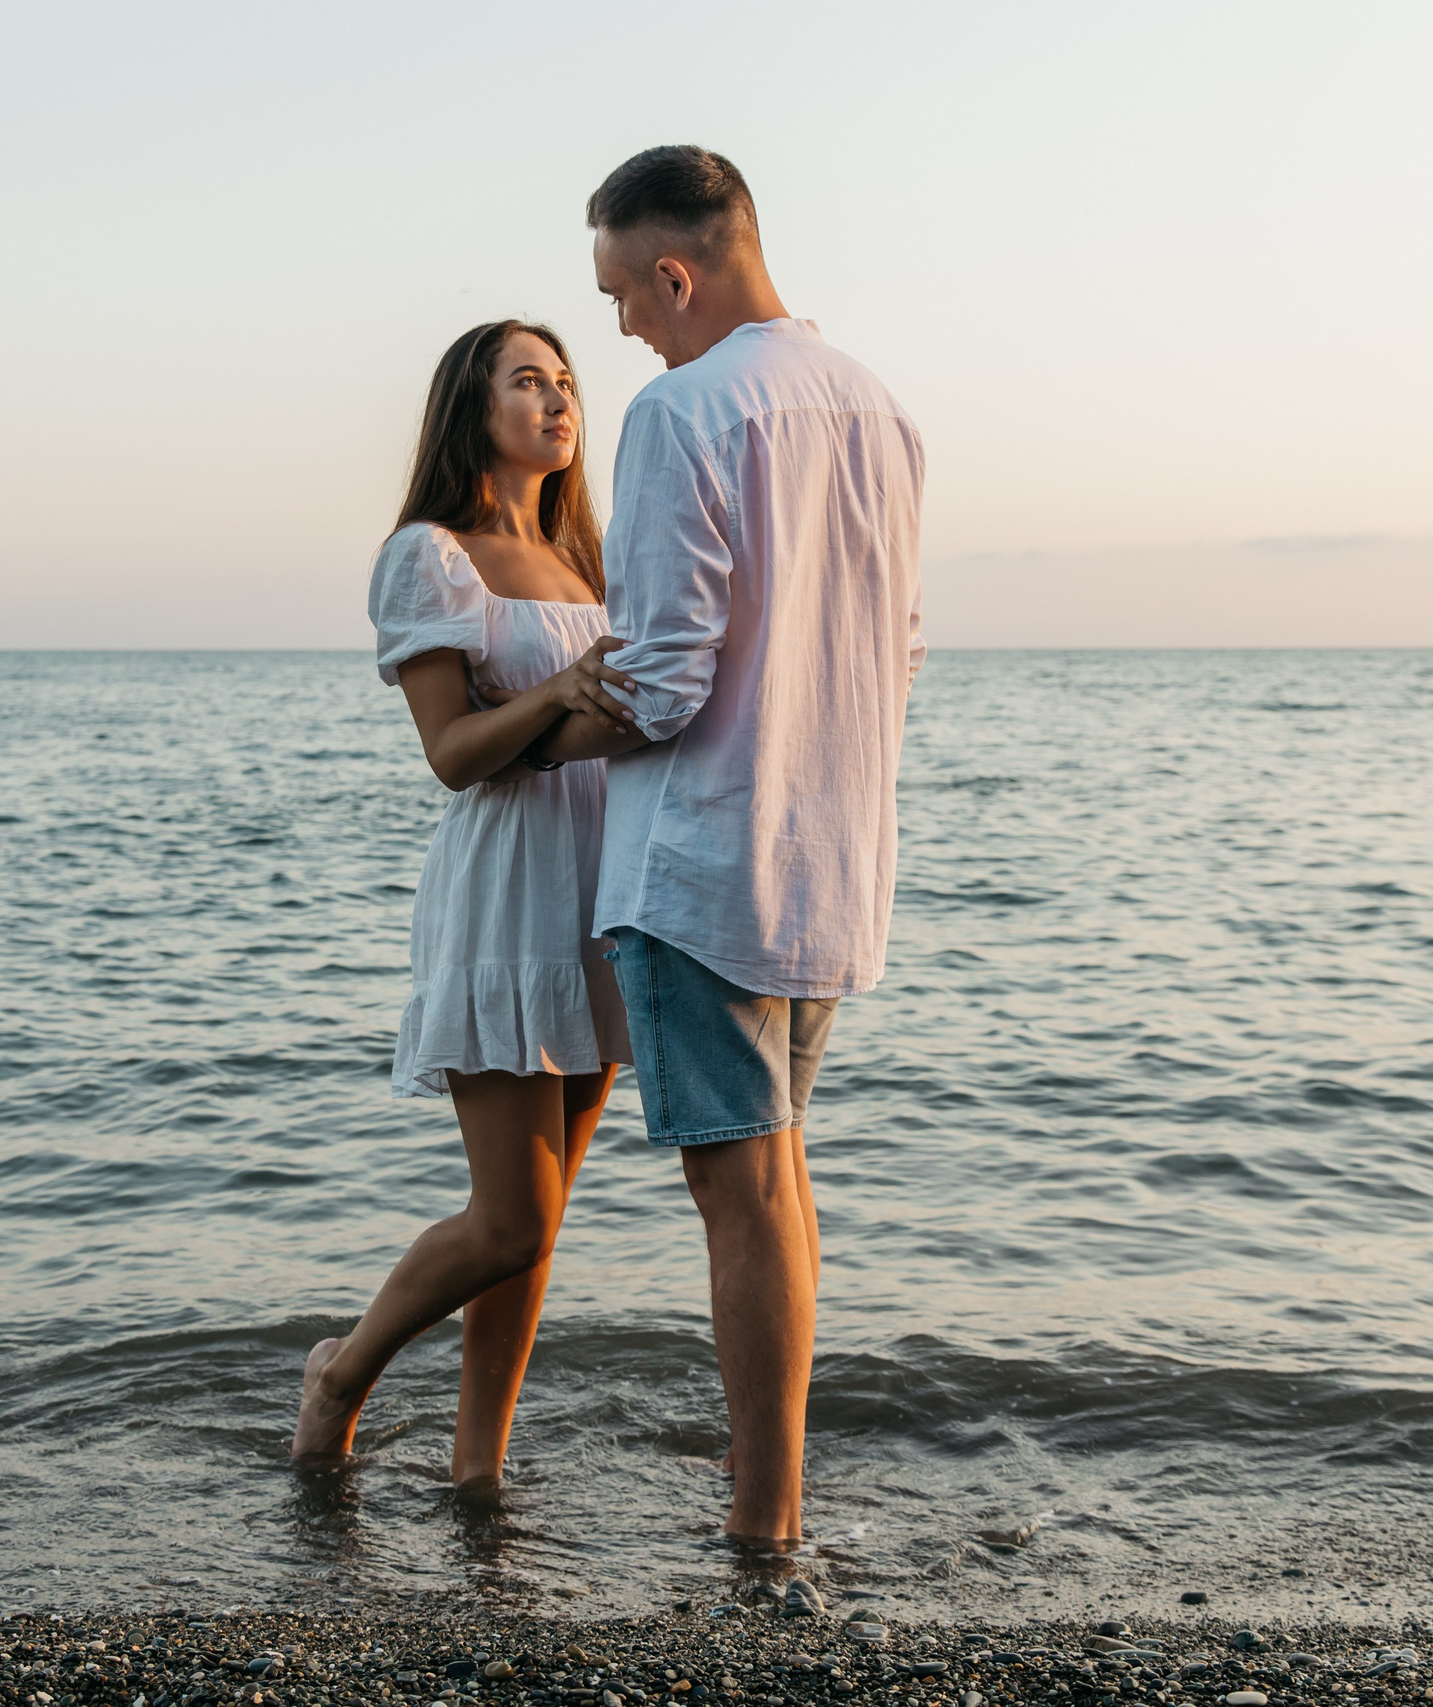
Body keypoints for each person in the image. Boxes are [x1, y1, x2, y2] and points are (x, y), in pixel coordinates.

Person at [522, 146, 926, 1545]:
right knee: (782, 1175)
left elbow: (665, 677)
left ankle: (765, 1522)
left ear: (674, 272)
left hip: (703, 860)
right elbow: (902, 646)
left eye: (623, 293)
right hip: (829, 856)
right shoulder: (880, 408)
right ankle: (777, 1499)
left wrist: (535, 735)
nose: (621, 325)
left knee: (741, 1194)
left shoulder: (683, 408)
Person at [290, 320, 641, 1488]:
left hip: (603, 888)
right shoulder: (432, 556)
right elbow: (450, 753)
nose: (557, 402)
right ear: (470, 407)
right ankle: (341, 1373)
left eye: (566, 383)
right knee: (511, 1220)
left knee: (537, 1233)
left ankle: (477, 1468)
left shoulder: (591, 557)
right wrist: (557, 691)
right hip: (507, 891)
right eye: (527, 382)